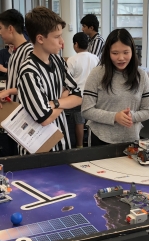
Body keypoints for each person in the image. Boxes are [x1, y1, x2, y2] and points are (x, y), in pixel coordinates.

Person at [16, 6, 82, 152]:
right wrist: (64, 97)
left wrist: (53, 103)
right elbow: (44, 118)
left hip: (62, 142)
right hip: (37, 149)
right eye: (57, 36)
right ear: (40, 38)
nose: (62, 42)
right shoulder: (29, 71)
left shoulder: (58, 61)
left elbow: (78, 96)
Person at [81, 28, 149, 146]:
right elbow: (86, 110)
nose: (121, 58)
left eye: (126, 52)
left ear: (132, 51)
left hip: (131, 140)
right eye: (115, 53)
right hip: (100, 138)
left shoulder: (141, 76)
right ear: (108, 52)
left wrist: (130, 117)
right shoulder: (97, 73)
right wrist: (115, 117)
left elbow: (147, 111)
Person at [66, 32, 99, 148]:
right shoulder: (95, 58)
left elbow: (67, 81)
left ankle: (79, 146)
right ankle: (90, 145)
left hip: (77, 97)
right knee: (92, 121)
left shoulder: (72, 60)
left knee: (79, 121)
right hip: (94, 96)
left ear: (76, 44)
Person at [0, 9, 33, 105]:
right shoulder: (15, 53)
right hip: (13, 109)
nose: (0, 33)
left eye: (0, 28)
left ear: (10, 28)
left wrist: (8, 92)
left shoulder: (29, 52)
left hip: (24, 112)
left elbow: (32, 86)